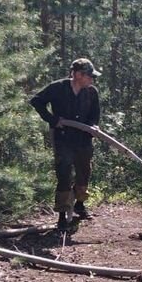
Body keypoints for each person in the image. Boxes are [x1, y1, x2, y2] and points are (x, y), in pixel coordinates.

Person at [30, 58, 102, 230]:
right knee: (64, 173)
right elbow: (36, 101)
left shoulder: (91, 92)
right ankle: (63, 214)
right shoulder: (58, 88)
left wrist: (93, 126)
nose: (91, 80)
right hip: (63, 138)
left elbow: (94, 115)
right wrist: (53, 120)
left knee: (84, 171)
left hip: (83, 139)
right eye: (89, 76)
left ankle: (79, 204)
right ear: (78, 75)